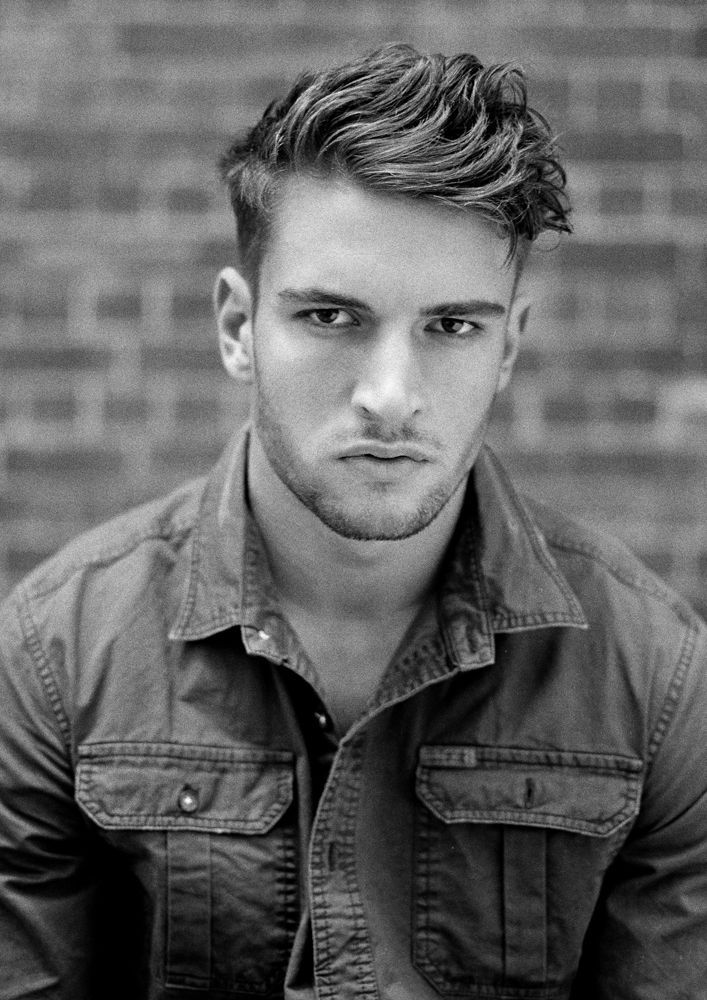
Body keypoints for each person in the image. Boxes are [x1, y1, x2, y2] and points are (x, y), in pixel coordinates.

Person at [0, 43, 704, 1000]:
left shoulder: (653, 676)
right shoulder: (56, 654)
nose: (390, 396)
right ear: (237, 328)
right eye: (331, 317)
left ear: (507, 348)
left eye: (451, 327)